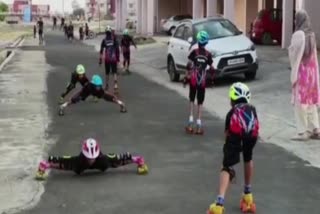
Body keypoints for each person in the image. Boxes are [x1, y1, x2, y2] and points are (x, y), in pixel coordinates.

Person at [207, 82, 259, 214]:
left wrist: (229, 159)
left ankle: (219, 204)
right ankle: (248, 196)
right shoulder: (252, 109)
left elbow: (227, 134)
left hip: (235, 135)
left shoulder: (232, 112)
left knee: (226, 166)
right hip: (251, 136)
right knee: (248, 158)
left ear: (232, 99)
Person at [35, 138, 148, 180]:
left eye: (92, 158)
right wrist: (48, 163)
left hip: (101, 162)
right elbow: (65, 160)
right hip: (81, 163)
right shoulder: (80, 159)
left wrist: (136, 159)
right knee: (71, 166)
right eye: (89, 158)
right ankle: (45, 165)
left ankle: (138, 160)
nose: (91, 160)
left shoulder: (101, 158)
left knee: (112, 163)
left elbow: (118, 158)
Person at [288, 10, 320, 141]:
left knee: (300, 102)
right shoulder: (311, 34)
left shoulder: (298, 34)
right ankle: (315, 129)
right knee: (311, 100)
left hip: (302, 72)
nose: (295, 21)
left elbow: (294, 54)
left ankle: (302, 132)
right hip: (312, 73)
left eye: (296, 19)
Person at [183, 30, 214, 134]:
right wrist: (212, 78)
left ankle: (190, 124)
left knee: (192, 100)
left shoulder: (194, 52)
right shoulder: (208, 54)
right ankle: (199, 126)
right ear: (206, 42)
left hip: (193, 80)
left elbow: (188, 65)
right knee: (200, 102)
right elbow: (212, 68)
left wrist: (186, 77)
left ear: (198, 41)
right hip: (202, 82)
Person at [59, 74, 127, 116]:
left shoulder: (99, 89)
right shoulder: (88, 86)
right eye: (97, 86)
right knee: (74, 99)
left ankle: (121, 104)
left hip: (96, 93)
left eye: (99, 86)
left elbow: (106, 95)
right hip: (86, 92)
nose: (98, 87)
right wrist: (75, 98)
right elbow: (80, 93)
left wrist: (115, 98)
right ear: (93, 84)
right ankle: (62, 106)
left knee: (109, 97)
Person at [99, 26, 120, 92]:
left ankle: (107, 85)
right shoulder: (114, 39)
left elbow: (101, 51)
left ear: (105, 33)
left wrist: (100, 60)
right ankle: (115, 85)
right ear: (110, 32)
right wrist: (118, 58)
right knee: (114, 72)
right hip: (113, 58)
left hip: (107, 59)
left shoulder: (104, 40)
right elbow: (117, 50)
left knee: (107, 73)